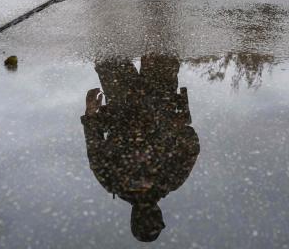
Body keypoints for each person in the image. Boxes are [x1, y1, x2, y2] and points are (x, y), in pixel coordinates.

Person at [81, 55, 200, 242]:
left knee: (108, 46)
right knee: (160, 40)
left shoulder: (114, 183)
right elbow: (191, 148)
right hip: (157, 98)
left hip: (125, 101)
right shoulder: (169, 180)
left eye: (152, 218)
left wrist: (90, 114)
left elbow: (94, 146)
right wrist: (178, 129)